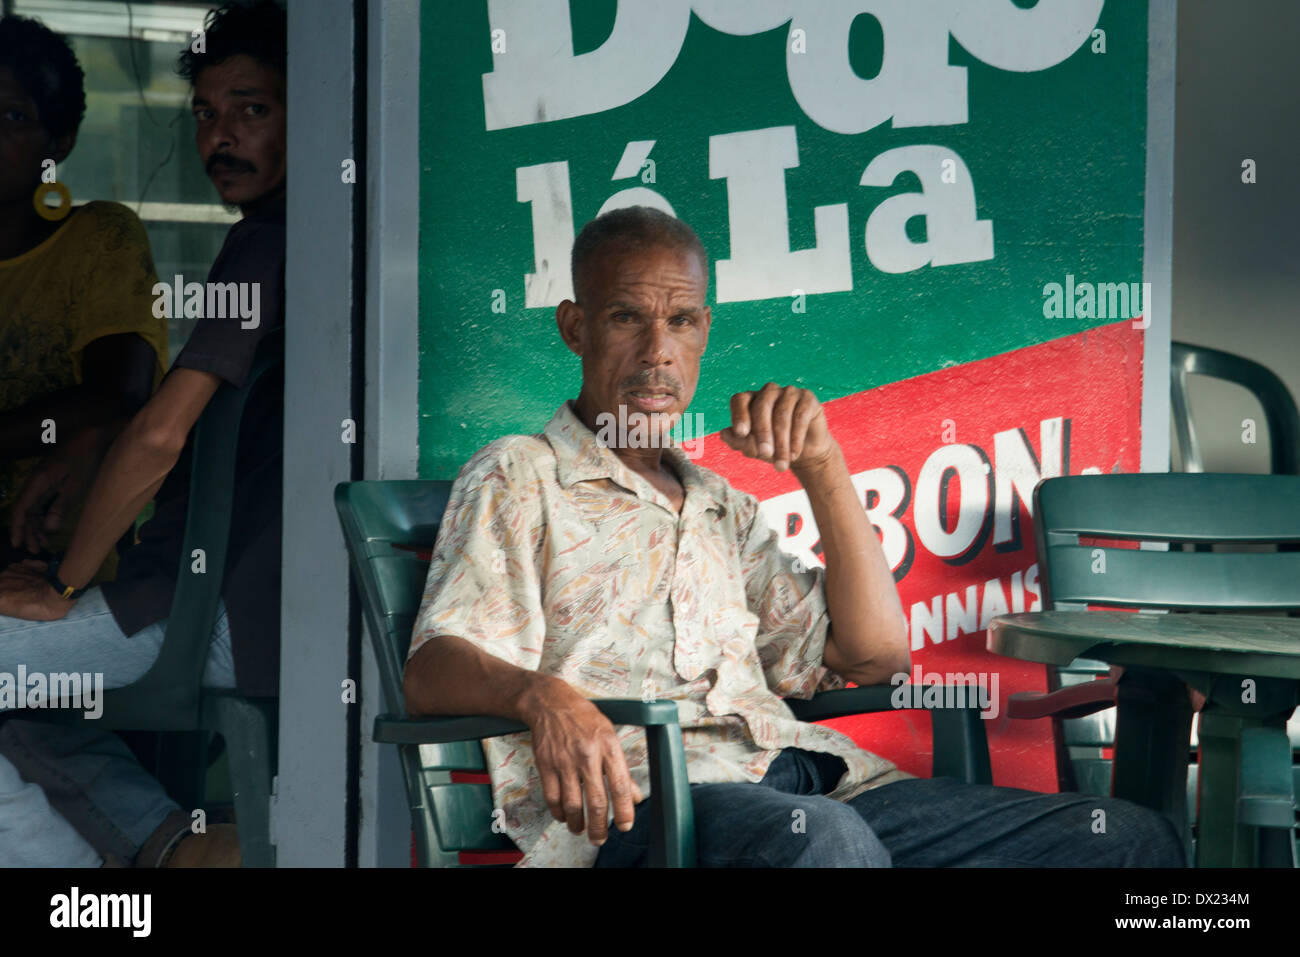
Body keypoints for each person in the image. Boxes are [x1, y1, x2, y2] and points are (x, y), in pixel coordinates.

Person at [403, 205, 1187, 868]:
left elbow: (875, 656)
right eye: (625, 317)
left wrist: (822, 466)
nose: (657, 351)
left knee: (1127, 839)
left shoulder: (720, 506)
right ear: (575, 327)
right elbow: (433, 665)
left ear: (705, 329)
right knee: (831, 843)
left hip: (815, 782)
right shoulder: (521, 474)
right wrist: (544, 695)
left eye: (680, 320)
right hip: (649, 810)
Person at [0, 0, 287, 867]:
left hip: (207, 611)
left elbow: (159, 432)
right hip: (232, 604)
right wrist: (88, 456)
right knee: (26, 709)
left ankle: (130, 876)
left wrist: (64, 579)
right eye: (205, 113)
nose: (219, 136)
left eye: (252, 109)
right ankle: (171, 852)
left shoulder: (270, 245)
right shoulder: (296, 238)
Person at [0, 14, 168, 577]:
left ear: (59, 141)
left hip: (52, 569)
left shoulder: (101, 237)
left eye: (13, 116)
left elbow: (119, 394)